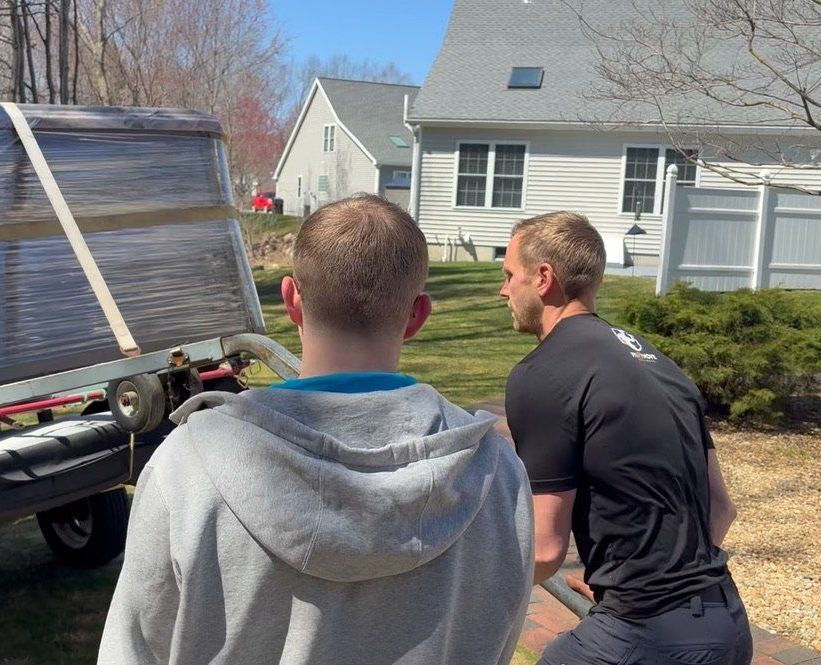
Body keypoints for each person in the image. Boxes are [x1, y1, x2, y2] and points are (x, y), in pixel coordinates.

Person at [100, 194, 534, 665]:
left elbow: (132, 650)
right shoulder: (499, 477)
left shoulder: (187, 468)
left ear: (291, 299)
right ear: (418, 315)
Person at [500, 211, 751, 665]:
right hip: (727, 625)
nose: (503, 290)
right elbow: (722, 507)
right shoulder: (659, 363)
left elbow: (545, 551)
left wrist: (461, 576)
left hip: (646, 633)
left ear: (542, 278)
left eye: (508, 275)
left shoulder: (543, 374)